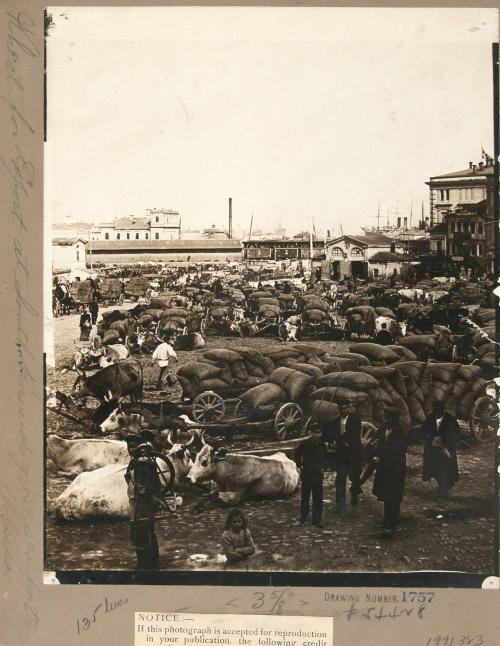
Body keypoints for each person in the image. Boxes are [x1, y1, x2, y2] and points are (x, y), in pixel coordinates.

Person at [125, 438, 163, 570]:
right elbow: (128, 477)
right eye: (130, 447)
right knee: (141, 532)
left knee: (145, 532)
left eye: (144, 454)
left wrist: (147, 489)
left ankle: (147, 564)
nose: (142, 456)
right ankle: (147, 562)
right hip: (136, 502)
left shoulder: (148, 465)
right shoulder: (133, 464)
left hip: (145, 503)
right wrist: (135, 488)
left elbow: (156, 484)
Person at [323, 399, 363, 514]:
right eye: (341, 408)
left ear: (349, 408)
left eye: (345, 408)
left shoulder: (355, 420)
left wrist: (340, 440)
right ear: (338, 409)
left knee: (354, 478)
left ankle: (354, 493)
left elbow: (353, 435)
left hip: (354, 454)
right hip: (342, 455)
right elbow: (329, 435)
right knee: (340, 479)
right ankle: (340, 505)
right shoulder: (335, 422)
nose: (343, 410)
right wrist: (330, 442)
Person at [372, 409, 407, 538]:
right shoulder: (384, 428)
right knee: (387, 495)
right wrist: (375, 450)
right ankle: (390, 520)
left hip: (396, 468)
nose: (387, 420)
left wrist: (380, 453)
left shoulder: (400, 432)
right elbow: (377, 441)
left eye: (390, 418)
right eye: (387, 418)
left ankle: (390, 524)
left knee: (394, 496)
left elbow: (396, 450)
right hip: (385, 468)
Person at [421, 400, 460, 499]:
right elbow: (423, 431)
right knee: (435, 470)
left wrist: (444, 440)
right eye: (435, 410)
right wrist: (430, 438)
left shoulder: (449, 419)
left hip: (446, 449)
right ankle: (441, 486)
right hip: (433, 450)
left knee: (445, 469)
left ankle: (443, 489)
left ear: (443, 410)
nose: (436, 412)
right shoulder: (430, 418)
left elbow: (456, 433)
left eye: (438, 410)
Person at [294, 425, 328, 528]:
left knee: (318, 497)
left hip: (318, 474)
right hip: (307, 473)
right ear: (311, 433)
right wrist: (299, 465)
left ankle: (317, 519)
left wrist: (323, 467)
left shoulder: (323, 445)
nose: (317, 435)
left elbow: (327, 458)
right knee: (305, 496)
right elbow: (297, 454)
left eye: (319, 432)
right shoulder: (305, 443)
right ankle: (303, 516)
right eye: (315, 432)